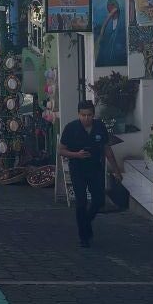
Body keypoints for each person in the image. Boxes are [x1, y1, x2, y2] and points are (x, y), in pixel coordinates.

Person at [58, 100, 123, 247]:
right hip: (78, 169)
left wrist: (116, 171)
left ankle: (86, 222)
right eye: (83, 115)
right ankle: (84, 236)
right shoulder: (71, 128)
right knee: (81, 202)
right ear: (78, 114)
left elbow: (107, 149)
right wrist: (76, 154)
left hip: (95, 168)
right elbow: (61, 150)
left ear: (93, 115)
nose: (86, 118)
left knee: (99, 200)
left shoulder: (100, 126)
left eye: (89, 115)